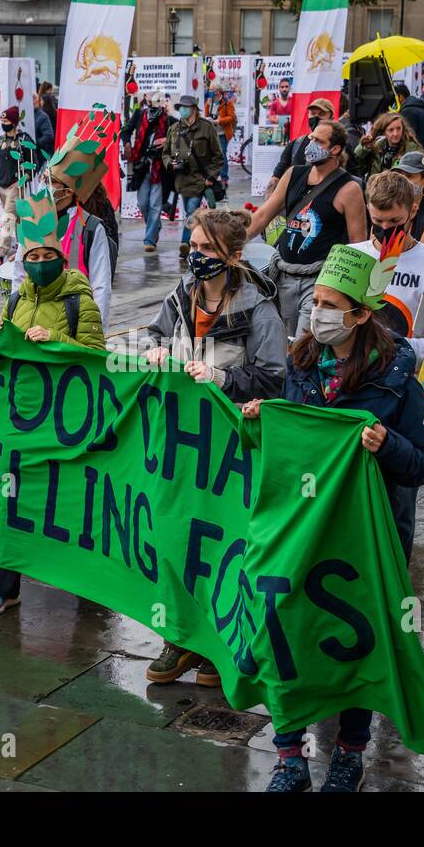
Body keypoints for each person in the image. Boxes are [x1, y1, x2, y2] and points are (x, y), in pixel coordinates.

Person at [241, 240, 424, 792]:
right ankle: (290, 757)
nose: (317, 313)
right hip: (301, 531)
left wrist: (387, 444)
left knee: (359, 642)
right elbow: (287, 443)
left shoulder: (397, 374)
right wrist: (262, 421)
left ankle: (350, 753)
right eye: (316, 302)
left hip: (367, 543)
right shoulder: (302, 361)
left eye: (330, 304)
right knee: (285, 631)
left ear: (360, 313)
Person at [141, 208, 287, 687]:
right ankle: (179, 638)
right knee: (174, 537)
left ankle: (219, 642)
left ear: (233, 255)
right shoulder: (181, 295)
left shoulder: (259, 310)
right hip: (181, 444)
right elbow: (154, 334)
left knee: (222, 543)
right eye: (193, 244)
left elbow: (274, 377)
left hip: (230, 452)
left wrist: (222, 378)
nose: (196, 255)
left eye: (206, 248)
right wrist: (155, 349)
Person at [0, 186, 106, 614]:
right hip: (23, 417)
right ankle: (5, 582)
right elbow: (1, 359)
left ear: (61, 258)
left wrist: (55, 340)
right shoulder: (16, 299)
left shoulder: (79, 299)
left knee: (68, 499)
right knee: (12, 498)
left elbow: (96, 357)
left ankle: (88, 577)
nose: (38, 265)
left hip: (65, 419)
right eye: (31, 258)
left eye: (45, 257)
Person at [247, 119, 367, 339]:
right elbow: (263, 215)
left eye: (318, 141)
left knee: (303, 343)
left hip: (318, 280)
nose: (310, 144)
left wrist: (349, 294)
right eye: (311, 138)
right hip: (283, 274)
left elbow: (357, 244)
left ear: (335, 149)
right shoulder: (294, 174)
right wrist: (231, 244)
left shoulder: (349, 189)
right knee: (281, 340)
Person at [366, 170, 424, 363]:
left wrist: (388, 347)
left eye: (395, 221)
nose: (385, 228)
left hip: (403, 375)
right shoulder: (352, 254)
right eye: (377, 221)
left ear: (413, 211)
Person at [48, 108, 119, 325]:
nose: (47, 188)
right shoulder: (40, 215)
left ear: (69, 189)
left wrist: (97, 327)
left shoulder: (94, 222)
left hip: (78, 314)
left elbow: (101, 282)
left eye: (53, 183)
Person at [163, 94, 224, 256]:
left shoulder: (206, 127)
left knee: (191, 211)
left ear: (194, 109)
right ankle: (197, 240)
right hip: (181, 180)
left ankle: (185, 243)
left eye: (185, 107)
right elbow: (166, 153)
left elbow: (218, 156)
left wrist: (211, 177)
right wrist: (170, 163)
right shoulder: (175, 129)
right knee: (190, 213)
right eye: (180, 107)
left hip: (199, 180)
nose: (182, 110)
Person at [124, 92, 171, 254]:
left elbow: (179, 136)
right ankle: (155, 226)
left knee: (155, 205)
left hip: (160, 169)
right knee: (142, 203)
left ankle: (149, 238)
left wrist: (167, 141)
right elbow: (126, 130)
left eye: (157, 105)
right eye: (151, 105)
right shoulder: (139, 115)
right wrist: (127, 143)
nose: (153, 109)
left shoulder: (169, 121)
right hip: (141, 166)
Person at [0, 106, 37, 263]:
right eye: (2, 120)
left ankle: (1, 253)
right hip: (1, 186)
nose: (3, 123)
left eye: (6, 120)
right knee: (17, 219)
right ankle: (24, 248)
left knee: (8, 217)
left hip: (16, 186)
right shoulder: (0, 140)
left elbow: (33, 165)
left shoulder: (24, 140)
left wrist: (20, 183)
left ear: (14, 122)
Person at [268, 97, 337, 193]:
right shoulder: (296, 144)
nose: (316, 118)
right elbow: (278, 174)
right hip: (297, 202)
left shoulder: (338, 146)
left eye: (322, 114)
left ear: (331, 118)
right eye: (312, 113)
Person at [354, 110, 422, 182]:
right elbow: (357, 167)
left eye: (399, 128)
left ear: (403, 129)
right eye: (391, 130)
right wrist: (364, 148)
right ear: (384, 132)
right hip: (375, 190)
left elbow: (421, 174)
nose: (395, 133)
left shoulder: (411, 149)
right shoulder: (377, 146)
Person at [395, 82, 424, 157]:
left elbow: (408, 138)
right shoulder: (418, 108)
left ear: (400, 97)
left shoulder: (408, 111)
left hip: (421, 157)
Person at [215, 87, 237, 184]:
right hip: (212, 133)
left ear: (221, 93)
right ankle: (215, 176)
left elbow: (231, 117)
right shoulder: (209, 103)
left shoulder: (228, 103)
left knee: (222, 154)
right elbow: (207, 114)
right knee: (214, 155)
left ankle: (224, 177)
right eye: (212, 93)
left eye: (215, 93)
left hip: (223, 133)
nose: (214, 95)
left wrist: (220, 120)